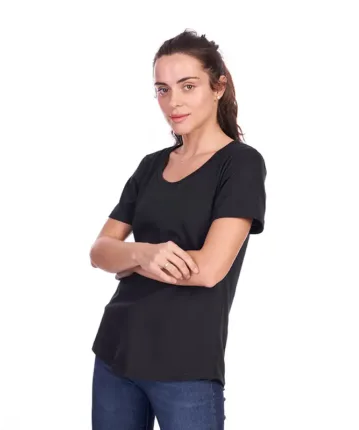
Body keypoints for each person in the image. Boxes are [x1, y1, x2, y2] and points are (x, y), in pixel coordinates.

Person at [89, 29, 267, 430]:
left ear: (218, 86)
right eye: (162, 89)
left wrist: (129, 262)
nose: (173, 102)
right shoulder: (152, 165)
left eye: (188, 86)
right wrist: (143, 253)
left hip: (186, 365)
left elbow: (209, 270)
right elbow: (99, 251)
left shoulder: (240, 164)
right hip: (116, 351)